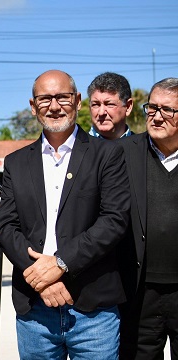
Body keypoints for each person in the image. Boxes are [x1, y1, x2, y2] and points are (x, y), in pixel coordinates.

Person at [0, 70, 130, 359]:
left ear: (78, 101)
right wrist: (41, 279)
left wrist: (61, 263)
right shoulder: (15, 163)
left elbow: (114, 220)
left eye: (62, 97)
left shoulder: (107, 155)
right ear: (33, 106)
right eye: (45, 99)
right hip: (35, 311)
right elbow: (6, 227)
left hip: (93, 311)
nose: (54, 106)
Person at [118, 78, 178, 359]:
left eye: (167, 110)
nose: (156, 116)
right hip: (138, 290)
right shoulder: (123, 154)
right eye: (151, 107)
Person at [88, 72, 134, 139]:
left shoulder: (143, 147)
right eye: (96, 105)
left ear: (128, 107)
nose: (101, 112)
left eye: (110, 104)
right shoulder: (73, 147)